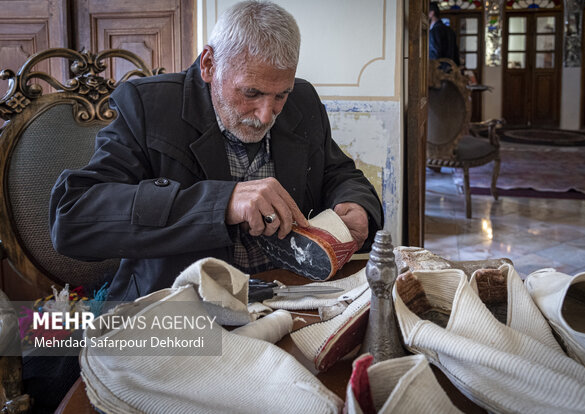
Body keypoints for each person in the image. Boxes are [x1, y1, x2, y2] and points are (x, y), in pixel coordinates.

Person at [49, 0, 383, 302]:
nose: (267, 115)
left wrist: (356, 204)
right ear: (209, 64)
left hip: (288, 295)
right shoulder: (147, 107)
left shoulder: (303, 100)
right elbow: (72, 219)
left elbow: (339, 173)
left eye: (280, 95)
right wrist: (221, 203)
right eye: (251, 93)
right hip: (182, 308)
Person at [429, 2, 460, 67]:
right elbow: (456, 55)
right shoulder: (450, 30)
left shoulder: (434, 31)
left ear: (432, 13)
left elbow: (434, 55)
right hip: (451, 71)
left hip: (438, 72)